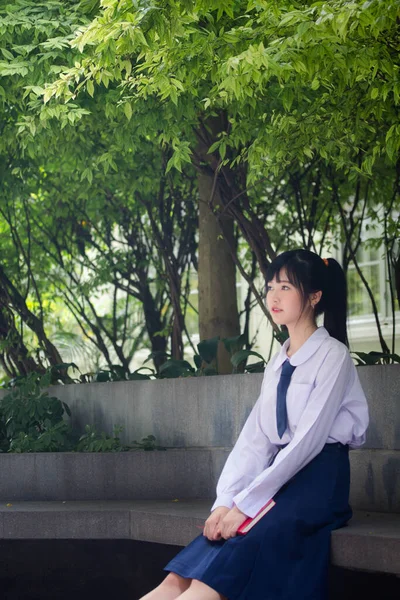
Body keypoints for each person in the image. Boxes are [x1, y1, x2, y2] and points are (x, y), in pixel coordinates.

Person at [138, 249, 370, 600]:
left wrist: (245, 507)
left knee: (213, 577)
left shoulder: (333, 357)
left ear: (314, 296)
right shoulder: (279, 360)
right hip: (278, 479)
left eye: (286, 288)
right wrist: (225, 501)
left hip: (317, 483)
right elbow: (255, 440)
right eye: (270, 287)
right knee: (178, 579)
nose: (273, 297)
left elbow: (307, 443)